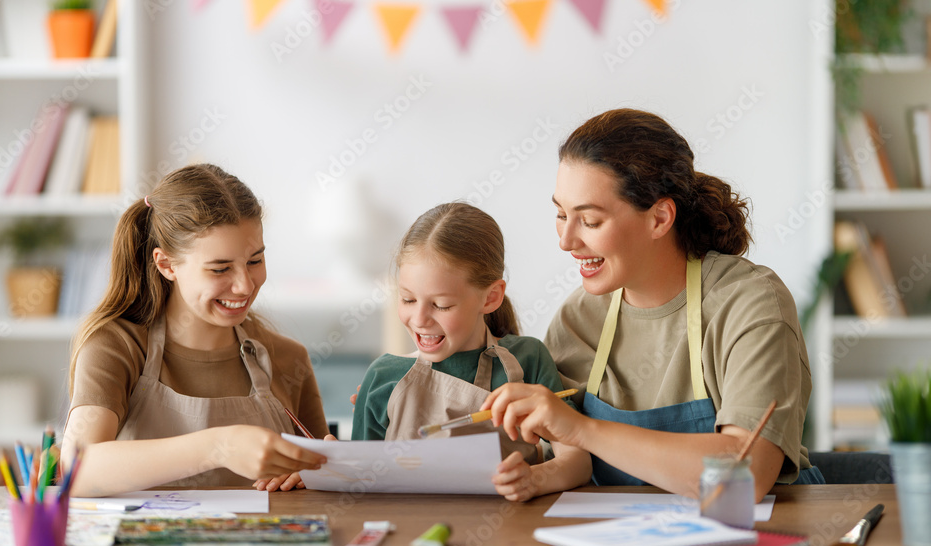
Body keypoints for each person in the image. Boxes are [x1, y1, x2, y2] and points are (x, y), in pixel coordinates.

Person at [481, 108, 825, 502]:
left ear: (659, 218)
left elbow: (745, 476)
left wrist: (582, 429)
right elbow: (562, 459)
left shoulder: (749, 303)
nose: (566, 240)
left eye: (590, 221)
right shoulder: (578, 320)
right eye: (561, 215)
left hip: (749, 544)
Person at [62, 164, 330, 497]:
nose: (245, 285)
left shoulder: (288, 359)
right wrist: (218, 446)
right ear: (166, 265)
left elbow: (325, 478)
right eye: (220, 268)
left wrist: (318, 473)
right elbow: (78, 470)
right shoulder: (117, 346)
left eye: (255, 260)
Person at [352, 202, 591, 501]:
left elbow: (579, 462)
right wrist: (335, 465)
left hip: (510, 538)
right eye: (408, 299)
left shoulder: (527, 359)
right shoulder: (382, 378)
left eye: (441, 305)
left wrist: (534, 478)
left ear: (490, 298)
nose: (420, 319)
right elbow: (362, 488)